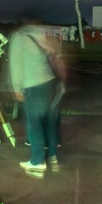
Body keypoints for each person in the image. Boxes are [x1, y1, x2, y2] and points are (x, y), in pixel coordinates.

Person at [8, 23, 64, 179]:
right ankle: (52, 156)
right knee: (48, 121)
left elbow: (16, 65)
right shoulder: (42, 34)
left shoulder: (19, 38)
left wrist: (17, 88)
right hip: (49, 83)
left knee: (34, 123)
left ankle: (37, 161)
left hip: (33, 85)